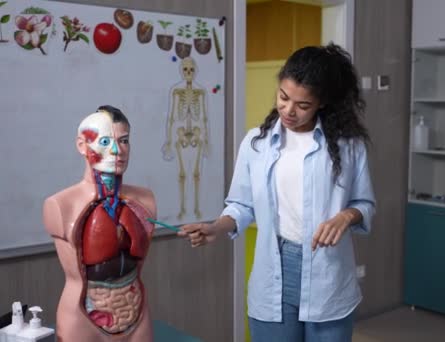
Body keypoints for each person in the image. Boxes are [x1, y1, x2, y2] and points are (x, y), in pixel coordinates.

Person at [180, 43, 375, 341]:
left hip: (328, 275)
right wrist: (216, 227)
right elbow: (241, 205)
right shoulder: (255, 144)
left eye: (303, 105)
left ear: (322, 103)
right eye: (283, 97)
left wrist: (346, 216)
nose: (289, 110)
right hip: (274, 272)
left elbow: (364, 203)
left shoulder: (349, 146)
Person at [43, 105, 156, 341]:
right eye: (105, 142)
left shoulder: (145, 201)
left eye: (124, 141)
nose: (118, 150)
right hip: (82, 318)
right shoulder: (60, 205)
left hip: (135, 311)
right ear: (82, 146)